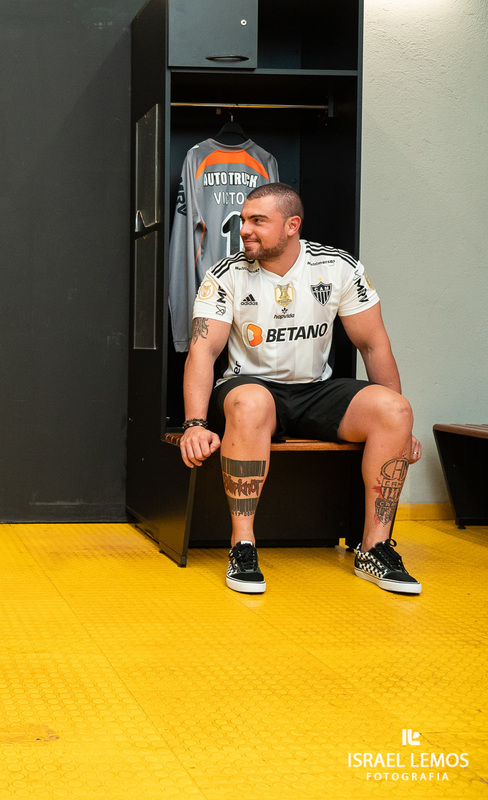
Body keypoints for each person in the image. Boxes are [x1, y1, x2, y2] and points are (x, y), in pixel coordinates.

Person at [178, 182, 422, 595]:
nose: (245, 230)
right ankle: (242, 544)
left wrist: (401, 431)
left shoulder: (338, 268)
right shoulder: (225, 274)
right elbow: (203, 352)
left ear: (293, 225)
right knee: (252, 401)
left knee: (395, 410)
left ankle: (374, 549)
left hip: (315, 391)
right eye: (243, 221)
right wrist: (195, 423)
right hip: (250, 387)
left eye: (258, 221)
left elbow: (373, 344)